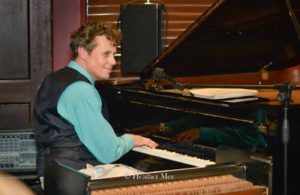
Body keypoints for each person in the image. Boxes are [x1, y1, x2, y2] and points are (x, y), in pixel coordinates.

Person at [33, 21, 158, 176]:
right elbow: (108, 152)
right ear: (84, 52)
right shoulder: (81, 90)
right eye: (106, 54)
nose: (113, 61)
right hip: (78, 176)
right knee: (160, 183)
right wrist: (131, 139)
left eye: (114, 55)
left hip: (54, 173)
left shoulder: (53, 79)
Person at [130, 111, 267, 149]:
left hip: (244, 155)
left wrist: (202, 132)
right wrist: (162, 127)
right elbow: (197, 119)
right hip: (212, 150)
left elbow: (249, 135)